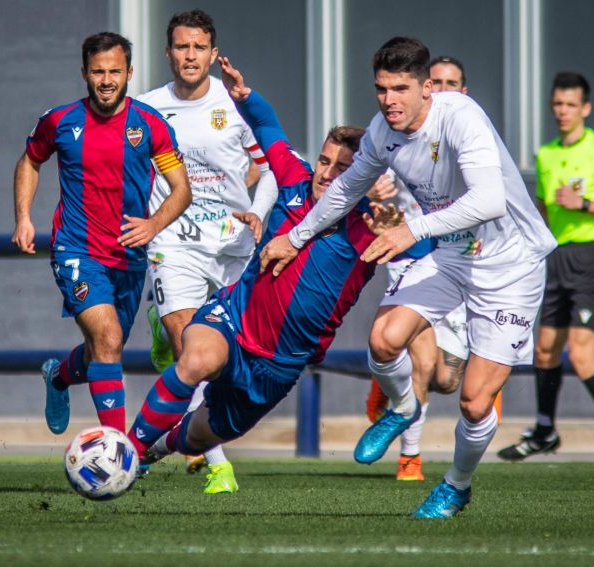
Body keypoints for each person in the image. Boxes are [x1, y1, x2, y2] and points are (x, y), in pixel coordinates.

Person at [260, 37, 557, 519]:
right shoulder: (382, 131)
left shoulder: (461, 117)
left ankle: (456, 486)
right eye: (381, 89)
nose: (389, 100)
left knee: (474, 402)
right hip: (451, 255)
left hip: (510, 265)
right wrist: (295, 238)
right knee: (383, 339)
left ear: (426, 88)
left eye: (400, 89)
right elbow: (346, 189)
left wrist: (410, 230)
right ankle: (402, 407)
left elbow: (489, 201)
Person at [126, 56, 411, 472]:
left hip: (280, 363)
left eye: (342, 168)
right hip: (233, 318)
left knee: (203, 433)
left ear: (363, 177)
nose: (326, 173)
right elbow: (268, 129)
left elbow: (421, 255)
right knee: (195, 359)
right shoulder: (294, 179)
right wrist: (246, 97)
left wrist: (399, 233)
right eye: (324, 161)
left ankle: (157, 448)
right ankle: (127, 452)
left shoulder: (370, 224)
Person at [11, 32, 191, 437]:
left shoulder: (150, 125)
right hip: (76, 250)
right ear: (84, 74)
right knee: (107, 337)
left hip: (129, 256)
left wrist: (153, 224)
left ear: (129, 72)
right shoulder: (60, 121)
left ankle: (59, 376)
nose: (106, 80)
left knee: (105, 348)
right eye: (97, 72)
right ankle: (117, 450)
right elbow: (30, 161)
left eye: (114, 71)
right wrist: (23, 217)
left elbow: (182, 189)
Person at [135, 10, 278, 494]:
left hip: (233, 246)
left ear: (214, 54)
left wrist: (257, 211)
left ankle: (179, 431)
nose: (190, 56)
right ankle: (218, 464)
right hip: (173, 243)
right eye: (182, 47)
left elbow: (269, 168)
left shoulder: (235, 104)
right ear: (168, 53)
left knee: (233, 363)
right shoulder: (147, 108)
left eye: (199, 47)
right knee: (190, 349)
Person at [498, 72, 594, 464]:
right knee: (544, 350)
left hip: (592, 257)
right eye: (557, 104)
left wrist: (585, 205)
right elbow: (544, 212)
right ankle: (544, 430)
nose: (562, 111)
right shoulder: (546, 155)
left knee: (581, 354)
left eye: (570, 105)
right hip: (557, 258)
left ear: (585, 108)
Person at [363, 55, 472, 482]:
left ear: (463, 92)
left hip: (462, 263)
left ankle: (387, 383)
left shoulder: (469, 135)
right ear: (426, 88)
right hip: (413, 261)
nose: (442, 90)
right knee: (420, 363)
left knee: (446, 379)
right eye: (436, 82)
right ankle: (410, 457)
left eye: (451, 83)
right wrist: (373, 193)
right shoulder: (396, 133)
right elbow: (362, 182)